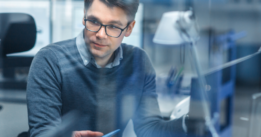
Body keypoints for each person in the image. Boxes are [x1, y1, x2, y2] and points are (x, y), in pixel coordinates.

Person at [27, 0, 187, 137]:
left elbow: (148, 128)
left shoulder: (138, 61)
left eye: (113, 26)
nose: (101, 34)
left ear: (129, 28)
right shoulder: (50, 60)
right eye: (94, 21)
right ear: (84, 16)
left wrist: (189, 122)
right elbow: (43, 132)